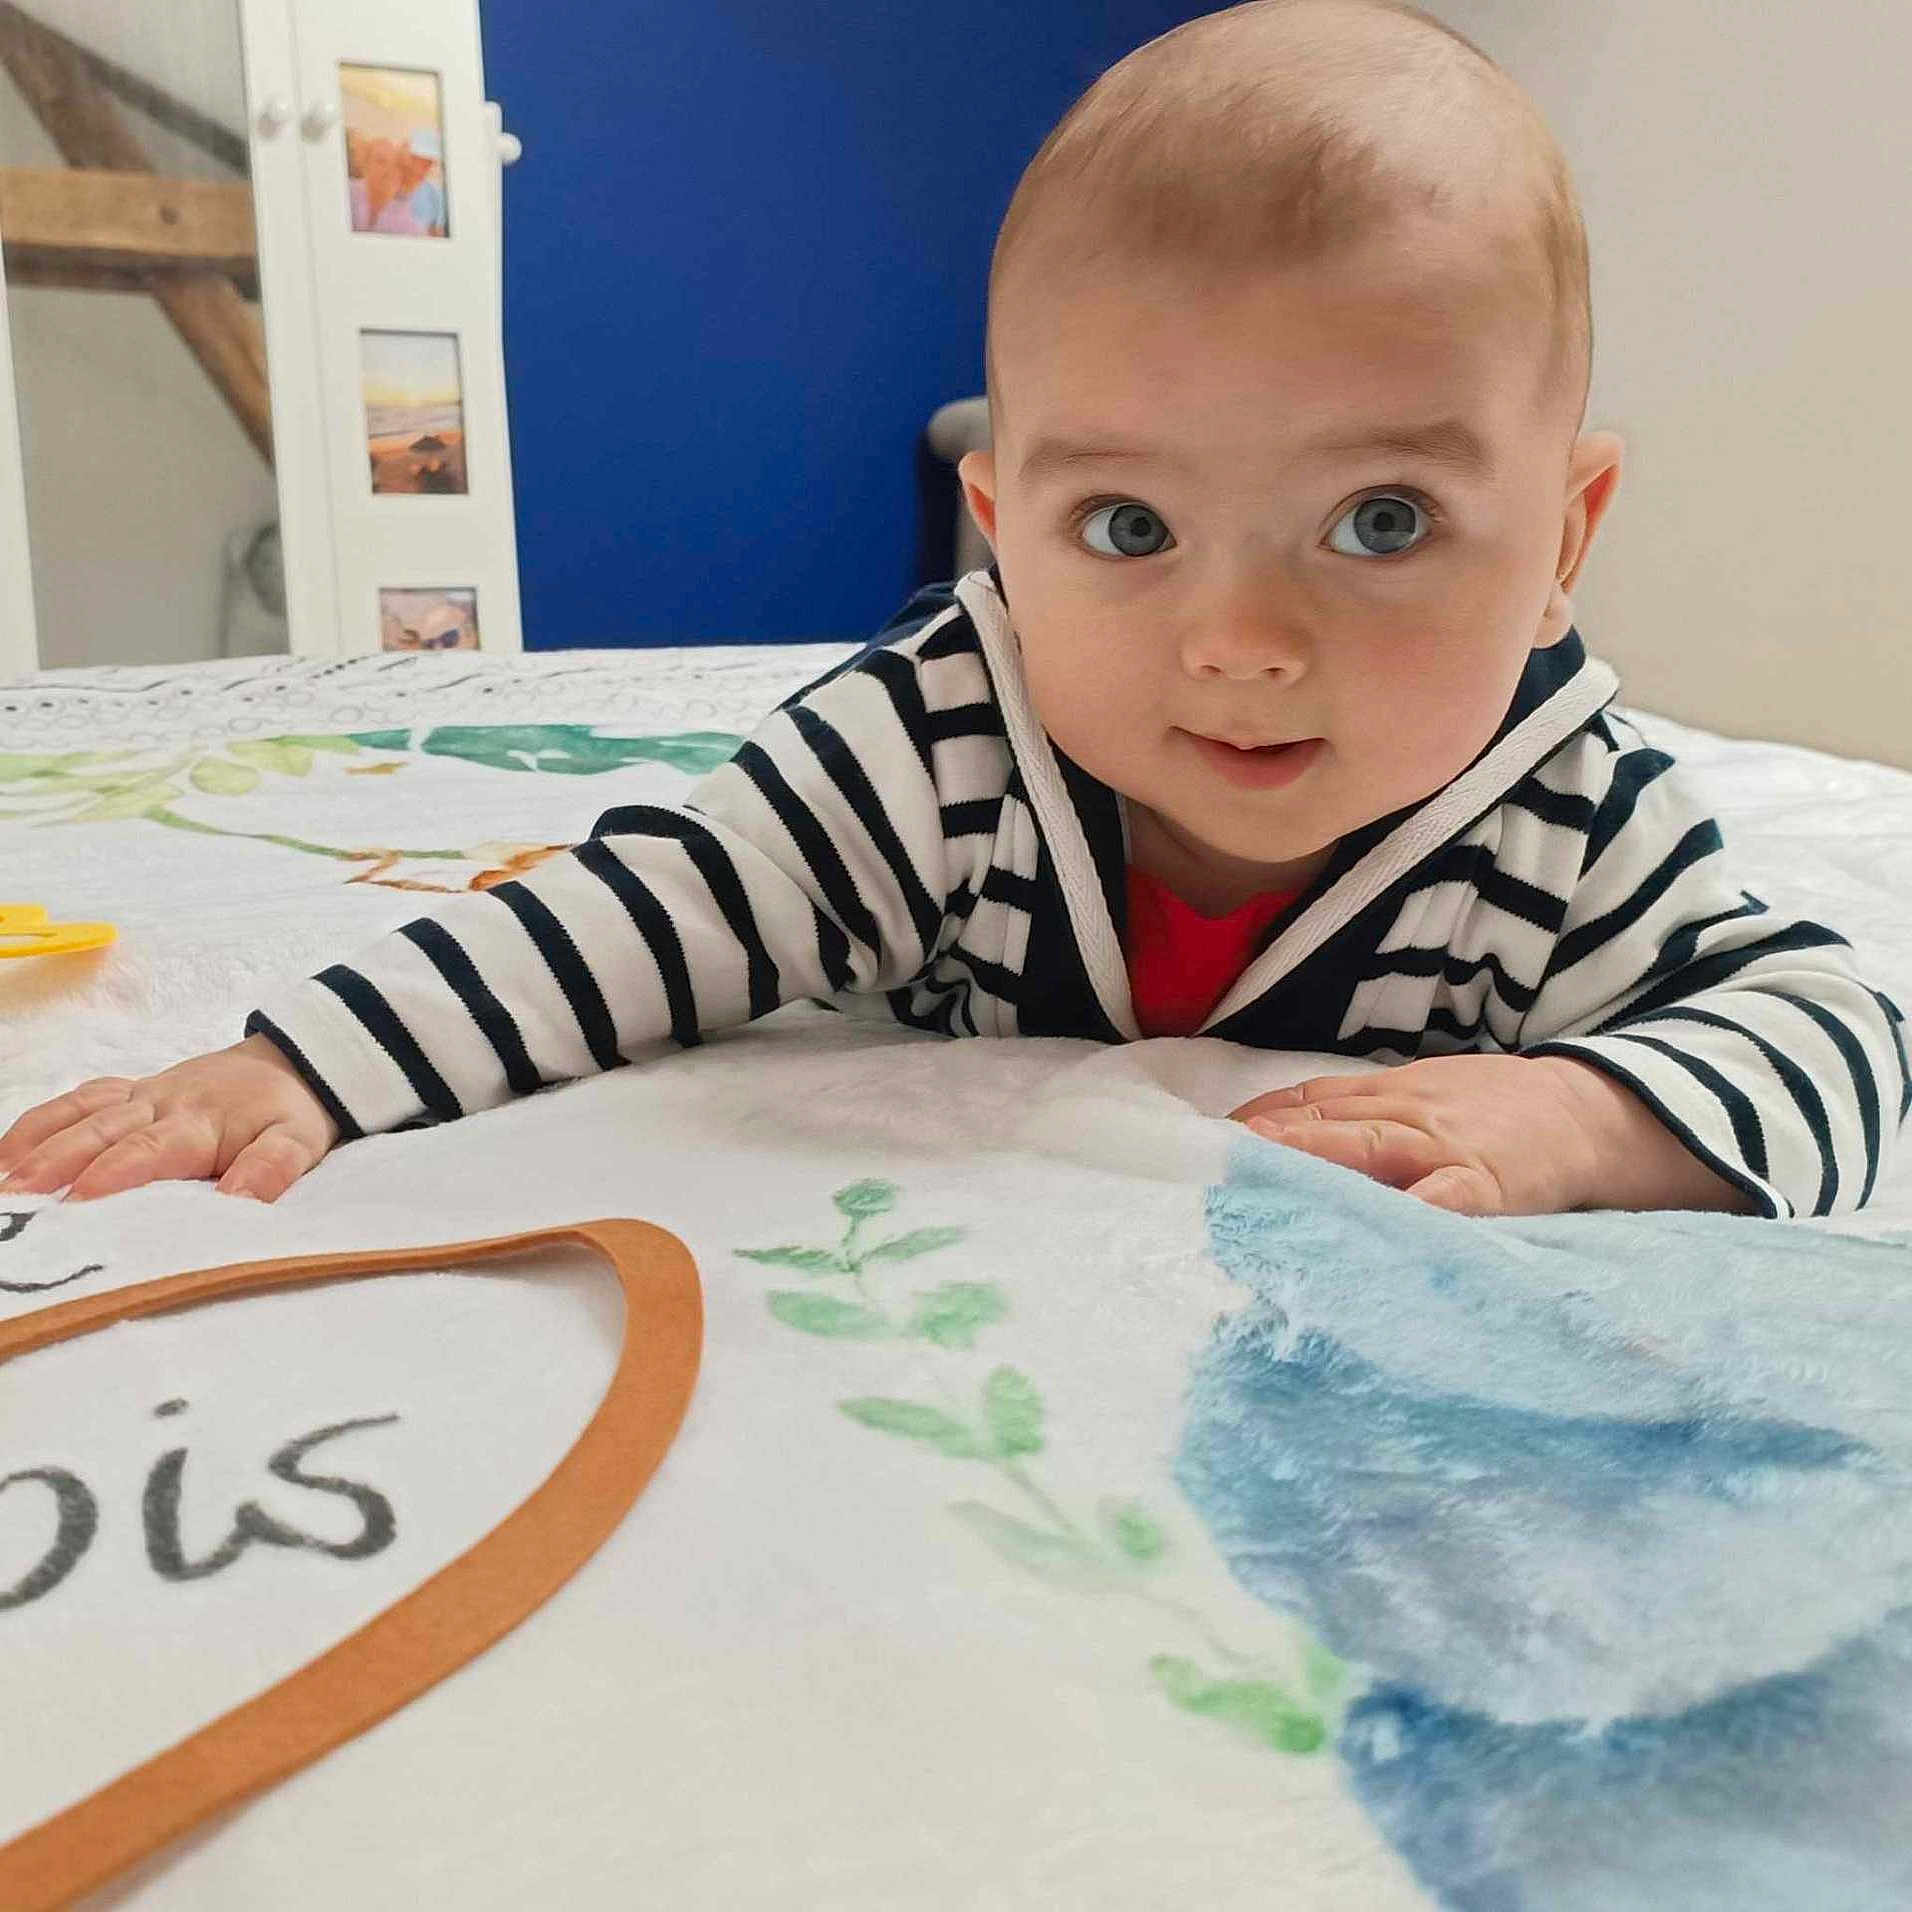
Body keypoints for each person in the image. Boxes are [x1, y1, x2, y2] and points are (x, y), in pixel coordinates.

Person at [3, 0, 1906, 1219]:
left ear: (1565, 536)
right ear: (997, 526)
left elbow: (1833, 1032)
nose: (1239, 638)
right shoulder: (935, 742)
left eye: (1383, 519)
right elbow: (634, 919)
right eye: (1130, 527)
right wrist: (300, 1064)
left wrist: (1587, 1122)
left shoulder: (1562, 812)